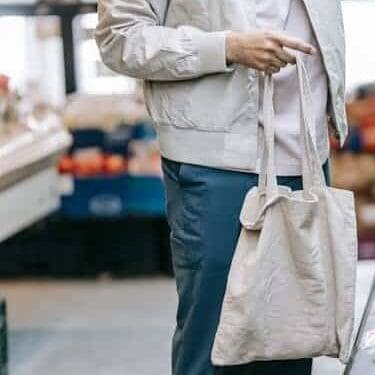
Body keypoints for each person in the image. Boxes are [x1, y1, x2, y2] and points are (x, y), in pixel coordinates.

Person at [95, 0, 347, 374]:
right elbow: (120, 36)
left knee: (292, 340)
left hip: (304, 159)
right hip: (217, 162)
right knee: (214, 340)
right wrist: (226, 47)